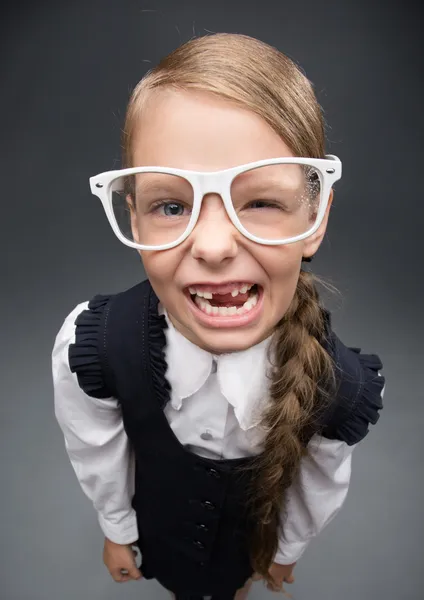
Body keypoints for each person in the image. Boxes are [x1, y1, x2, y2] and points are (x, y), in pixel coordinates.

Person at [52, 33, 385, 600]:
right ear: (135, 221)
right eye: (171, 205)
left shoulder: (339, 386)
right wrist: (117, 530)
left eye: (260, 201)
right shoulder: (95, 346)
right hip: (161, 538)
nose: (211, 245)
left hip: (244, 551)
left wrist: (283, 553)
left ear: (316, 216)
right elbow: (96, 447)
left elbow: (316, 486)